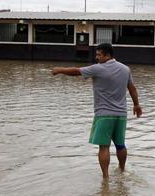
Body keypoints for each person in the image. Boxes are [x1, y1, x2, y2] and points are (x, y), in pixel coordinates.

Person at [52, 43, 142, 179]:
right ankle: (122, 171)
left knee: (104, 147)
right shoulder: (125, 69)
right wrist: (137, 105)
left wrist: (60, 70)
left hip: (104, 114)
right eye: (97, 54)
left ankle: (105, 179)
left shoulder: (98, 69)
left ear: (108, 55)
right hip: (121, 115)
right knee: (120, 145)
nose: (97, 57)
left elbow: (76, 71)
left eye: (99, 55)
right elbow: (132, 88)